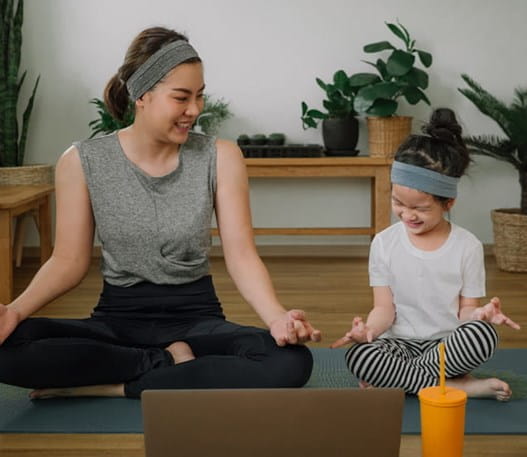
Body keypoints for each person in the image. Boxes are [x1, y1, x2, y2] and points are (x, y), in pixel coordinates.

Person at [0, 26, 320, 399]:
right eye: (181, 97)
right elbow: (69, 260)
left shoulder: (221, 157)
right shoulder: (82, 161)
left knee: (291, 362)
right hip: (117, 321)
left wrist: (277, 318)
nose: (195, 110)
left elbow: (242, 256)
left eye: (200, 96)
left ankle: (114, 385)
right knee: (7, 348)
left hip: (197, 320)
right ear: (142, 95)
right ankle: (161, 364)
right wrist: (14, 311)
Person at [331, 108, 520, 401]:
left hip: (447, 346)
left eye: (420, 208)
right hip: (398, 346)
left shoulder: (467, 246)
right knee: (360, 356)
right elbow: (384, 309)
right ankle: (455, 386)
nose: (407, 215)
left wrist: (479, 316)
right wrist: (367, 330)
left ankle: (403, 380)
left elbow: (465, 311)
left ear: (448, 202)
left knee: (485, 336)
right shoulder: (383, 243)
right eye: (398, 203)